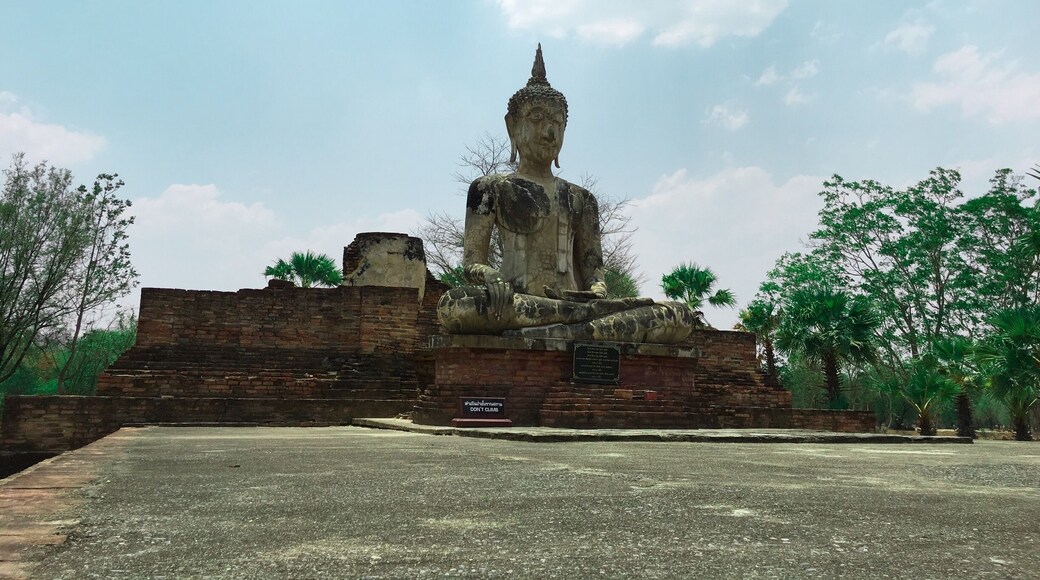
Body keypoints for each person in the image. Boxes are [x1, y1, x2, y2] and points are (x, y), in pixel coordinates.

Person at [437, 45, 695, 344]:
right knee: (455, 306)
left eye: (558, 122)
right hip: (517, 302)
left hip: (576, 306)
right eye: (537, 119)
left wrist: (597, 291)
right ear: (512, 126)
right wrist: (490, 276)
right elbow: (471, 263)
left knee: (679, 314)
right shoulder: (490, 189)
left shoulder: (581, 199)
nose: (550, 132)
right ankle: (578, 328)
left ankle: (571, 327)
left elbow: (595, 275)